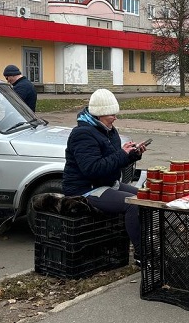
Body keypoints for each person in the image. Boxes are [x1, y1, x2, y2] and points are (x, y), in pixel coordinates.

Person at [62, 89, 146, 263]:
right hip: (85, 189)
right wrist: (121, 154)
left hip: (106, 183)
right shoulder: (82, 134)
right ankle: (141, 254)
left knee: (144, 197)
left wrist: (132, 154)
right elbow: (92, 169)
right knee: (134, 204)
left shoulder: (109, 130)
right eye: (111, 114)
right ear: (99, 114)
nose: (115, 117)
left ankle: (145, 243)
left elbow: (112, 161)